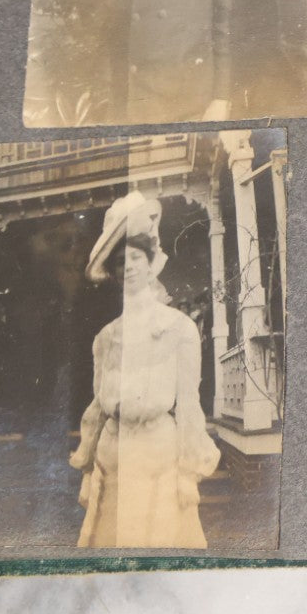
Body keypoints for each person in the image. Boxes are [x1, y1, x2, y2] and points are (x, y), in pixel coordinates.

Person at [68, 192, 220, 549]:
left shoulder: (178, 328)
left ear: (152, 264)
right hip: (113, 458)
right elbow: (97, 408)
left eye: (137, 257)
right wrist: (89, 472)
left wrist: (187, 475)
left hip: (159, 457)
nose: (129, 267)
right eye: (121, 262)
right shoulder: (105, 338)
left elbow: (188, 406)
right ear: (114, 274)